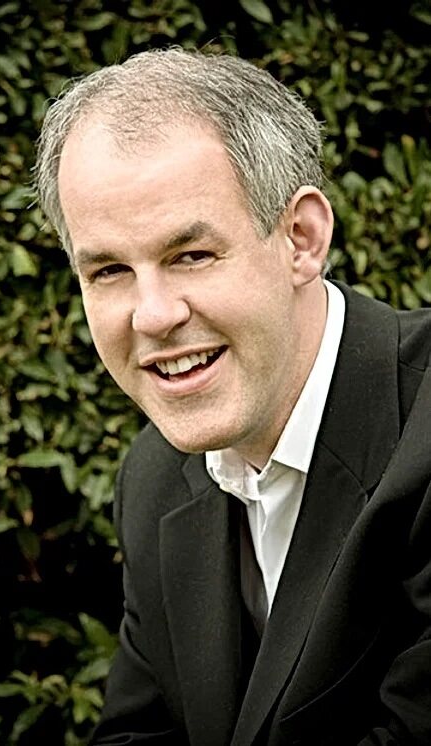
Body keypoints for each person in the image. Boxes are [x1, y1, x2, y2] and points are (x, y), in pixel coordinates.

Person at [34, 48, 431, 746]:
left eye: (191, 255)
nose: (153, 315)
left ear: (301, 239)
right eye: (109, 271)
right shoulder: (153, 479)